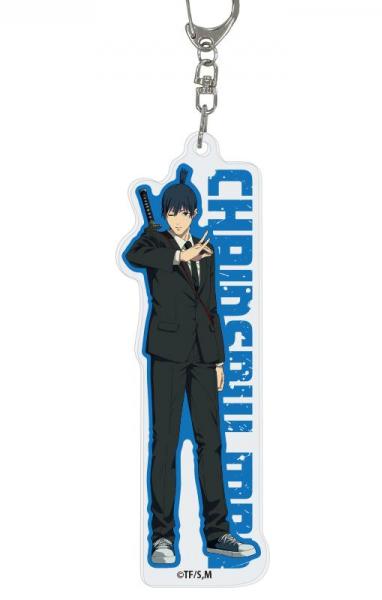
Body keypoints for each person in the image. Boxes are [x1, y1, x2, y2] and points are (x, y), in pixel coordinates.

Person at [125, 168, 255, 564]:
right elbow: (133, 256)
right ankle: (162, 538)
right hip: (167, 354)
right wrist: (179, 255)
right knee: (164, 444)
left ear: (194, 213)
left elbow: (211, 308)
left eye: (184, 212)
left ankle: (218, 532)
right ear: (165, 214)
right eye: (172, 213)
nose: (178, 219)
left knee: (210, 444)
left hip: (202, 356)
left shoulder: (206, 250)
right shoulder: (154, 241)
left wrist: (218, 359)